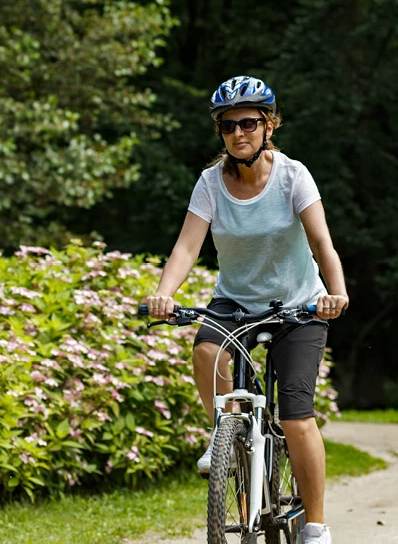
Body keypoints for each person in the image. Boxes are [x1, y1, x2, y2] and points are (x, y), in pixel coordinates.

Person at [144, 75, 348, 544]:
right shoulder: (210, 182)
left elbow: (322, 242)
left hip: (298, 305)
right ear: (221, 133)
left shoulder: (293, 176)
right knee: (203, 352)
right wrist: (164, 293)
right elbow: (186, 247)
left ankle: (316, 527)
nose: (240, 133)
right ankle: (227, 438)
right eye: (229, 125)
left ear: (269, 125)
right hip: (235, 301)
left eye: (250, 123)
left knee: (297, 418)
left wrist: (335, 293)